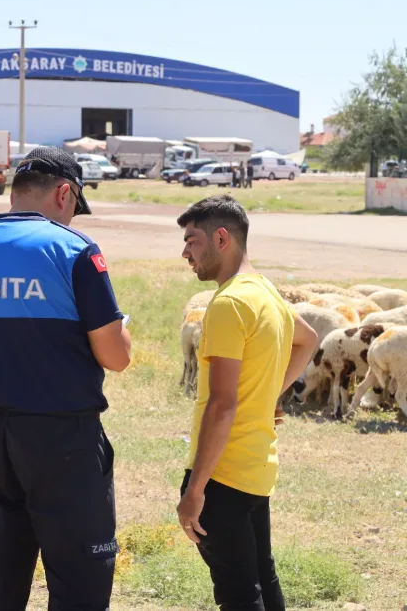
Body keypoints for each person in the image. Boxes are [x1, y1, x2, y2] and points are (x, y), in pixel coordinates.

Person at [0, 146, 132, 611]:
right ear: (65, 193)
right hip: (61, 437)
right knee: (80, 582)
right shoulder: (72, 249)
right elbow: (115, 356)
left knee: (0, 582)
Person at [176, 195, 318, 611]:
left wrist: (195, 488)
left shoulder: (228, 303)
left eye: (192, 240)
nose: (186, 252)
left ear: (221, 238)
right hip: (256, 468)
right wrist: (267, 391)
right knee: (261, 578)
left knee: (238, 595)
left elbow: (222, 405)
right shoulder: (265, 293)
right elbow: (307, 340)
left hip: (224, 473)